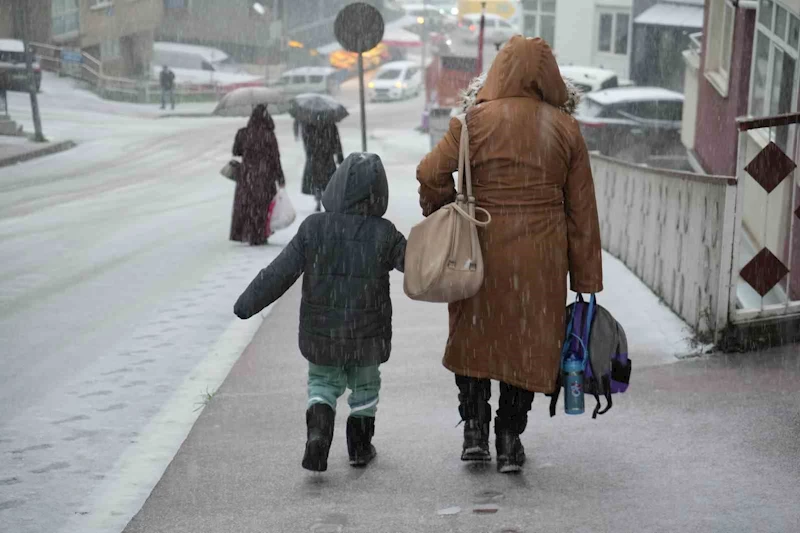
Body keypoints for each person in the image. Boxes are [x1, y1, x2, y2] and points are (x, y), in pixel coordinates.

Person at [416, 36, 603, 474]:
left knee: (475, 340)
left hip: (479, 252)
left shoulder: (472, 122)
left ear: (497, 72)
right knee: (526, 344)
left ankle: (475, 432)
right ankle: (509, 436)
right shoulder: (565, 129)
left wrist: (444, 206)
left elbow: (429, 172)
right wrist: (586, 279)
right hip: (541, 260)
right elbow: (582, 212)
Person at [233, 153, 406, 472]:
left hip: (322, 334)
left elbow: (279, 272)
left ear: (335, 187)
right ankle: (359, 447)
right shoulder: (384, 232)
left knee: (322, 385)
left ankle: (318, 436)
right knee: (366, 388)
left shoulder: (314, 228)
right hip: (367, 335)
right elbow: (417, 266)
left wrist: (247, 303)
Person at [230, 104, 285, 246]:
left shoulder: (243, 133)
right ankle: (261, 234)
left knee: (249, 205)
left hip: (247, 175)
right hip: (265, 175)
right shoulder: (269, 135)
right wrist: (280, 178)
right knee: (263, 206)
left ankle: (250, 233)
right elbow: (275, 158)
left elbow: (236, 152)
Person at [295, 119, 344, 212]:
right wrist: (339, 156)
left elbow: (307, 141)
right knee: (328, 181)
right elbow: (336, 141)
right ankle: (327, 201)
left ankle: (318, 200)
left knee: (317, 180)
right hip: (327, 156)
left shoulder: (308, 124)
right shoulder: (330, 124)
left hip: (315, 157)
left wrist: (310, 153)